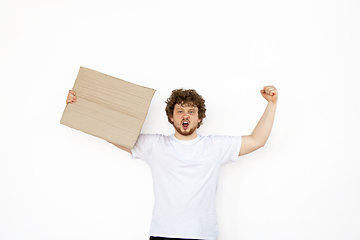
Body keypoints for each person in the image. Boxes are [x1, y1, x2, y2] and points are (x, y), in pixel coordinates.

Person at [66, 85, 278, 240]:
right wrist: (79, 103)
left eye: (191, 111)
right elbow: (112, 131)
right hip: (163, 234)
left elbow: (257, 140)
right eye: (180, 110)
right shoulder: (155, 145)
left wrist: (272, 104)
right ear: (171, 117)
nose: (185, 115)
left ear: (199, 119)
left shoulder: (215, 147)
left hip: (203, 235)